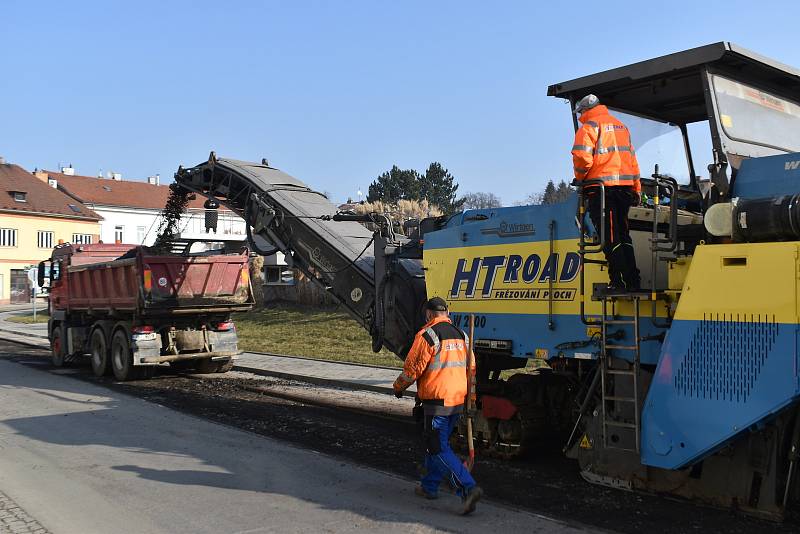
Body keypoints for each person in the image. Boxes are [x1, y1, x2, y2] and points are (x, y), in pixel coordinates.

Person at [393, 297, 483, 515]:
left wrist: (398, 387)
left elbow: (412, 369)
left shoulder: (427, 335)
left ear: (428, 315)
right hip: (457, 401)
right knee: (434, 443)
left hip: (437, 401)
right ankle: (429, 486)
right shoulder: (462, 336)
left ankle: (467, 488)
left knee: (437, 447)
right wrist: (471, 399)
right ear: (447, 312)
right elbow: (471, 369)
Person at [571, 94, 642, 290]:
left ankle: (618, 281)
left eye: (580, 113)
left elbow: (581, 158)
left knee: (610, 237)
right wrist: (636, 188)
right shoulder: (622, 127)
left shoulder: (589, 127)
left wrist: (581, 179)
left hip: (603, 191)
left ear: (585, 111)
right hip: (624, 191)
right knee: (623, 235)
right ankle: (632, 281)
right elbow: (633, 162)